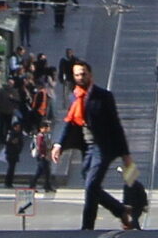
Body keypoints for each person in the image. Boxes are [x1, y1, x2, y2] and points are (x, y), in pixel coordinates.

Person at [52, 61, 137, 230]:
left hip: (104, 146)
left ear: (90, 75)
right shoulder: (74, 96)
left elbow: (115, 125)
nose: (80, 77)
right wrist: (58, 144)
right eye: (77, 75)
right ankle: (120, 210)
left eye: (83, 74)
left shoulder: (103, 96)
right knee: (91, 186)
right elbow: (69, 122)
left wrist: (125, 154)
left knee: (91, 186)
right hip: (88, 147)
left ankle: (87, 228)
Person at [30, 122, 56, 192]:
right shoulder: (40, 136)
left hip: (45, 155)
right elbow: (40, 146)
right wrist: (43, 154)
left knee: (45, 172)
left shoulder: (45, 135)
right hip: (42, 156)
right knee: (42, 172)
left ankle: (46, 186)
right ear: (41, 129)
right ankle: (33, 186)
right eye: (45, 128)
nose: (47, 129)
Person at [3, 122, 26, 188]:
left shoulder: (19, 134)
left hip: (15, 153)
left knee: (12, 168)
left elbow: (21, 143)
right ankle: (8, 182)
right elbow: (8, 142)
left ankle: (9, 182)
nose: (18, 128)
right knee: (11, 168)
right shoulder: (11, 134)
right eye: (17, 127)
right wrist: (12, 142)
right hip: (11, 153)